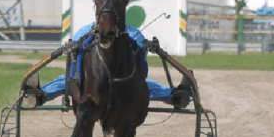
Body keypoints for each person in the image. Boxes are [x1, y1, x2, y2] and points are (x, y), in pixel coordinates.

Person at [26, 23, 192, 108]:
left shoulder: (88, 31)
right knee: (146, 86)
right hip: (114, 87)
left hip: (101, 87)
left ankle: (40, 96)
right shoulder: (131, 33)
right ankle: (175, 96)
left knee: (66, 81)